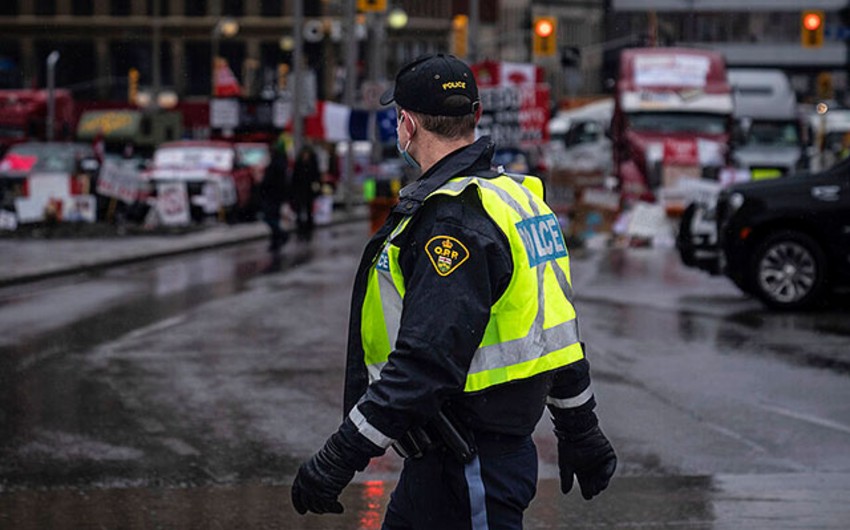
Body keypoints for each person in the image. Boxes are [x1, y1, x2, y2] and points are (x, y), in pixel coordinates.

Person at [291, 54, 617, 529]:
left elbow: (425, 362)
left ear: (406, 123)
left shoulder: (452, 219)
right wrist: (580, 425)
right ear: (475, 116)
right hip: (461, 461)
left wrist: (339, 457)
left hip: (467, 464)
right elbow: (558, 335)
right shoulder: (520, 198)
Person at [258, 138, 289, 253]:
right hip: (274, 196)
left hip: (272, 196)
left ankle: (280, 235)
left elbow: (273, 181)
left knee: (269, 218)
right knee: (272, 217)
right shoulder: (279, 162)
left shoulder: (276, 164)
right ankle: (276, 240)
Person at [290, 144, 322, 241]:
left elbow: (316, 176)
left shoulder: (312, 164)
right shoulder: (299, 164)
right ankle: (300, 226)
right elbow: (294, 178)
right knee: (300, 208)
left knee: (308, 209)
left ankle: (308, 226)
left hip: (308, 191)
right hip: (300, 190)